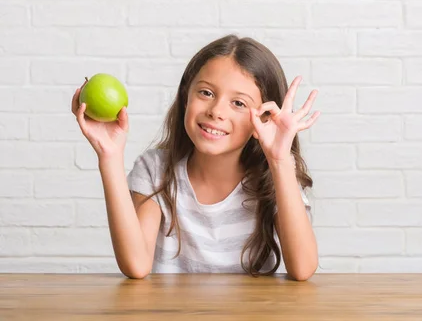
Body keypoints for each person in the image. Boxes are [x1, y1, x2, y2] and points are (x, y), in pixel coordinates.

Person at [71, 35, 320, 281]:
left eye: (238, 103)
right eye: (206, 93)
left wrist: (279, 160)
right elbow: (136, 265)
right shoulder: (155, 170)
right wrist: (110, 156)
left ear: (264, 119)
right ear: (185, 95)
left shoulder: (279, 173)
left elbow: (303, 268)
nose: (216, 111)